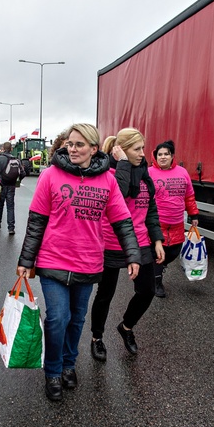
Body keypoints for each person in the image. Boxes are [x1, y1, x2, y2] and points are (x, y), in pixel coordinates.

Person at [17, 123, 140, 402]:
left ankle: (69, 364)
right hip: (53, 259)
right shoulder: (50, 175)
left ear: (94, 149)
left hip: (88, 262)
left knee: (77, 319)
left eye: (79, 144)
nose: (73, 149)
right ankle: (52, 370)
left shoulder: (107, 180)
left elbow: (122, 221)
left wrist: (133, 255)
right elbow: (36, 222)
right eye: (70, 144)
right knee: (58, 318)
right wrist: (26, 259)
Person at [89, 129, 165, 361]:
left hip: (141, 241)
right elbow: (117, 199)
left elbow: (150, 209)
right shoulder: (106, 173)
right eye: (136, 149)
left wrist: (158, 239)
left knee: (147, 291)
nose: (143, 154)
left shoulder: (143, 174)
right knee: (105, 294)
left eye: (143, 148)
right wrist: (122, 164)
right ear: (120, 150)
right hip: (111, 242)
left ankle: (127, 327)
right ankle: (96, 338)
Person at [147, 140, 199, 297]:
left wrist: (194, 214)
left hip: (176, 222)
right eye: (160, 155)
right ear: (155, 157)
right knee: (158, 253)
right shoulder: (149, 172)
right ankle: (156, 283)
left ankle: (158, 268)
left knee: (173, 252)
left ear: (172, 156)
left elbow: (189, 196)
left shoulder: (182, 172)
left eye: (166, 154)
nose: (162, 157)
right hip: (157, 223)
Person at [0, 141, 25, 235]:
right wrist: (16, 181)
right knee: (10, 207)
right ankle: (11, 228)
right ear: (11, 149)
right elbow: (23, 173)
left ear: (3, 148)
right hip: (11, 186)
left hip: (0, 185)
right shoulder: (16, 160)